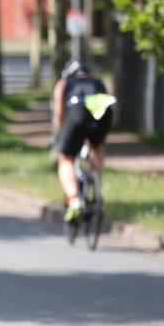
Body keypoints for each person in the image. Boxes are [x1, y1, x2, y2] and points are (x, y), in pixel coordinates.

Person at [52, 60, 114, 223]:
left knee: (66, 159)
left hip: (77, 111)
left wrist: (63, 134)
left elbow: (59, 114)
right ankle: (97, 187)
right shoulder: (98, 81)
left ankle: (74, 201)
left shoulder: (64, 83)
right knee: (96, 148)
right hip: (102, 111)